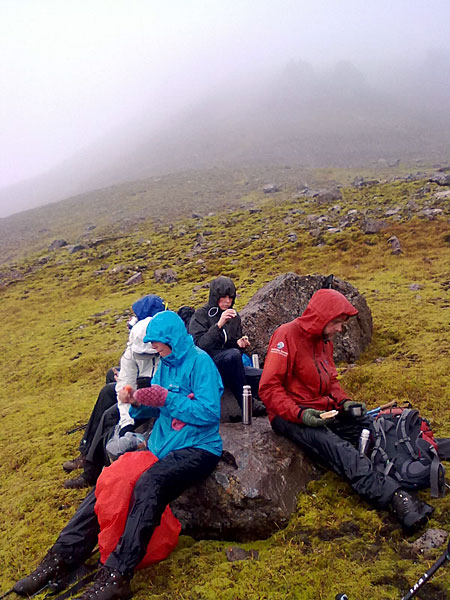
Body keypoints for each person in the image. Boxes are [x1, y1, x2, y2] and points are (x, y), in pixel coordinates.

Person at [13, 311, 223, 600]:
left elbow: (210, 413)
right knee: (109, 480)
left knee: (150, 485)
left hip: (199, 448)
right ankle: (60, 558)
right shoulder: (166, 364)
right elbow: (161, 405)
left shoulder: (202, 364)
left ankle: (117, 575)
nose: (154, 349)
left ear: (172, 339)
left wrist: (167, 399)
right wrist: (138, 403)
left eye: (158, 343)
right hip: (161, 446)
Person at [259, 288, 434, 532]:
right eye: (337, 323)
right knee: (341, 450)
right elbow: (268, 388)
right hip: (290, 416)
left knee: (373, 428)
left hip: (323, 412)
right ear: (321, 318)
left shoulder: (323, 342)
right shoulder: (286, 335)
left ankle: (413, 465)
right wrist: (301, 414)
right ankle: (396, 498)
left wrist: (345, 402)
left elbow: (330, 383)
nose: (340, 329)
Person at [63, 294, 165, 488]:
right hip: (139, 391)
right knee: (108, 392)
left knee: (110, 415)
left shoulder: (164, 344)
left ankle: (91, 471)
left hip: (155, 399)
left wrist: (127, 419)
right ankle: (87, 452)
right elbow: (127, 382)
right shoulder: (137, 341)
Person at [189, 275, 266, 417]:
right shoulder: (200, 315)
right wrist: (218, 325)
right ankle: (247, 405)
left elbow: (231, 346)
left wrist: (239, 344)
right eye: (223, 297)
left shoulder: (234, 316)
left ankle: (274, 404)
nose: (227, 301)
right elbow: (199, 346)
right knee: (232, 355)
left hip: (230, 365)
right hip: (207, 365)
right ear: (214, 296)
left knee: (265, 376)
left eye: (230, 298)